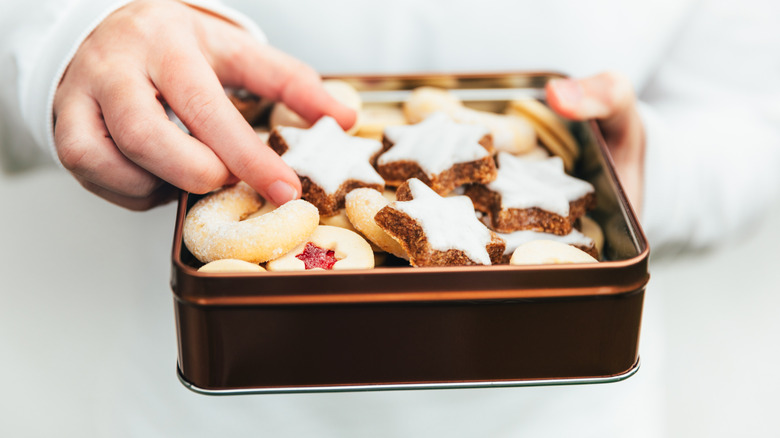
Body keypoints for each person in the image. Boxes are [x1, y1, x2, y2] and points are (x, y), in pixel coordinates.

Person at [1, 0, 779, 436]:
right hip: (227, 399)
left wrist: (641, 173)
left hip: (556, 400)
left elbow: (752, 121)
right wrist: (68, 47)